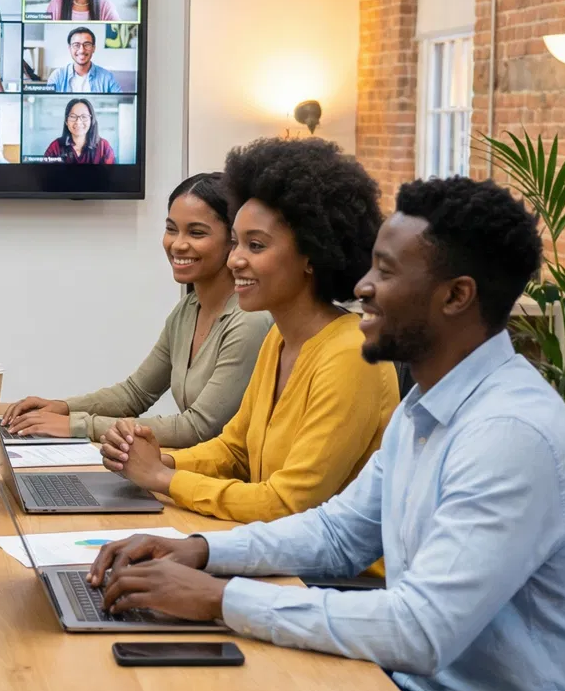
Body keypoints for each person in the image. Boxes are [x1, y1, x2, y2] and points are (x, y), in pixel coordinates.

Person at [86, 177, 565, 691]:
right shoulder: (429, 403)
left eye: (386, 272)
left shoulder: (508, 434)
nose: (362, 286)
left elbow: (420, 629)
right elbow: (340, 533)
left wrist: (220, 598)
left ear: (457, 296)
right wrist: (202, 551)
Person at [98, 137, 397, 525]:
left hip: (327, 563)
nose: (234, 260)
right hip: (272, 546)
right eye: (236, 243)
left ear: (312, 255)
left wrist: (162, 478)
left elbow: (287, 503)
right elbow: (235, 450)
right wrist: (161, 460)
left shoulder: (351, 355)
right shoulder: (279, 339)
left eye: (255, 246)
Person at [5, 173, 266, 445]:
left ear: (233, 241)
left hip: (227, 471)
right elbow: (135, 393)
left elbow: (197, 428)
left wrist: (77, 425)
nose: (178, 244)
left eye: (196, 232)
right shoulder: (188, 310)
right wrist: (62, 408)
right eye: (171, 229)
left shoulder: (250, 321)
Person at [45, 26, 121, 93]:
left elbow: (120, 101)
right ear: (69, 48)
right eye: (76, 45)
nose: (82, 50)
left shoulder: (107, 77)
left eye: (87, 44)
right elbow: (48, 102)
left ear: (93, 48)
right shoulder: (57, 76)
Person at [42, 98, 116, 164]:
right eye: (73, 116)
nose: (78, 122)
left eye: (84, 117)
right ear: (66, 121)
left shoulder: (103, 147)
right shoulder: (56, 147)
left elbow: (111, 173)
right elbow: (45, 173)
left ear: (91, 120)